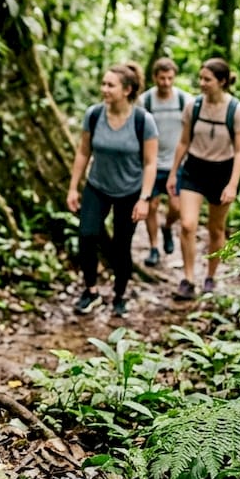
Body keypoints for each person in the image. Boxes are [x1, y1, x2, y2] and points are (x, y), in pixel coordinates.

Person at [66, 63, 159, 318]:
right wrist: (74, 188)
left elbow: (151, 163)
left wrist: (145, 199)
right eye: (103, 84)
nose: (103, 89)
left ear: (127, 90)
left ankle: (119, 295)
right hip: (97, 186)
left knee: (121, 246)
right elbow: (84, 152)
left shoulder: (143, 121)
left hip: (130, 191)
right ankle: (91, 291)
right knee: (86, 236)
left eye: (110, 85)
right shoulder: (94, 115)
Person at [168, 58, 240, 299]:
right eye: (200, 78)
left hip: (222, 172)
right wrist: (173, 172)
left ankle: (211, 277)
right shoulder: (192, 107)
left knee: (216, 229)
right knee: (187, 224)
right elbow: (183, 141)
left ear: (222, 82)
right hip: (194, 168)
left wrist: (233, 184)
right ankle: (188, 278)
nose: (201, 83)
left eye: (207, 79)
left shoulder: (237, 110)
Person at [139, 58, 190, 267]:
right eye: (162, 78)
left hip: (176, 164)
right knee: (151, 206)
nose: (166, 83)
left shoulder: (184, 100)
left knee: (176, 207)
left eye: (170, 78)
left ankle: (167, 227)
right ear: (155, 78)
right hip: (151, 162)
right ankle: (153, 248)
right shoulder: (146, 101)